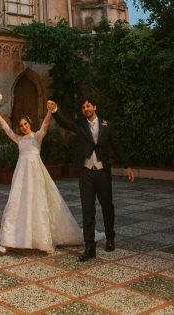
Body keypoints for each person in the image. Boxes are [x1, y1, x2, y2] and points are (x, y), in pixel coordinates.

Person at [0, 104, 84, 254]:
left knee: (38, 203)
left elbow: (45, 124)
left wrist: (49, 111)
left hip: (35, 174)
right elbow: (6, 127)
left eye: (25, 124)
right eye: (21, 125)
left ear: (29, 123)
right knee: (17, 203)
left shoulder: (37, 137)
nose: (23, 127)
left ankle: (41, 241)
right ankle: (10, 239)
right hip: (21, 175)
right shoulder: (19, 139)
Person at [49, 97, 134, 261]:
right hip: (86, 172)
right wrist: (55, 111)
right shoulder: (80, 124)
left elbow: (116, 146)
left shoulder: (106, 125)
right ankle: (89, 247)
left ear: (95, 107)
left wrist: (127, 165)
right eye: (83, 107)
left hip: (102, 172)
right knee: (88, 210)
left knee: (107, 206)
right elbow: (65, 123)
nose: (85, 108)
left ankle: (110, 238)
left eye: (88, 105)